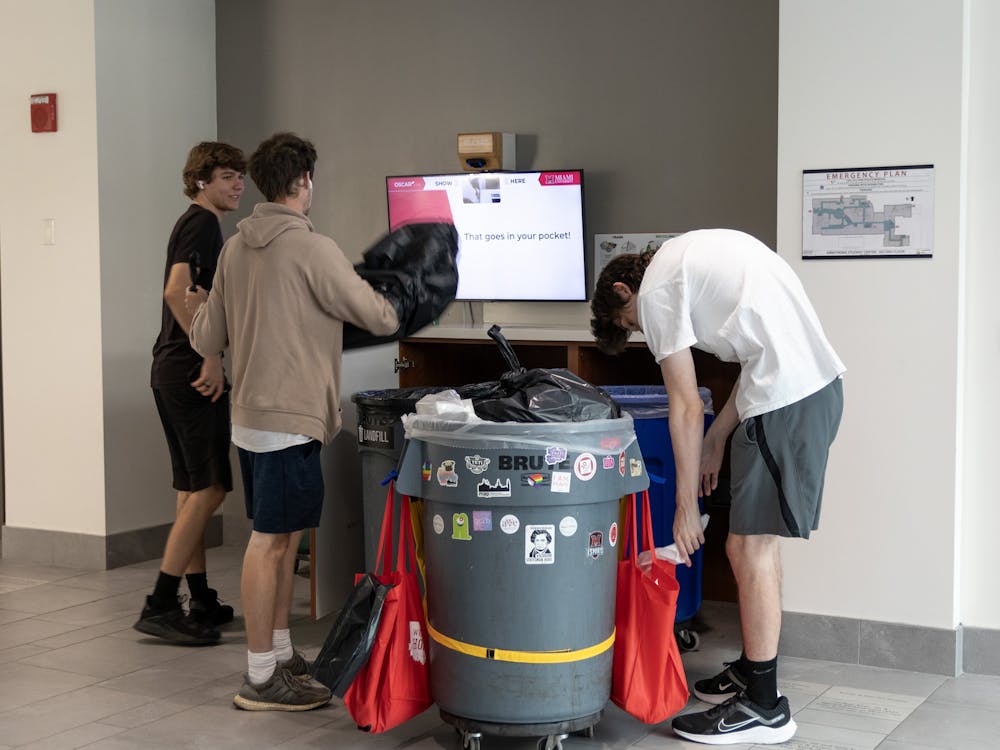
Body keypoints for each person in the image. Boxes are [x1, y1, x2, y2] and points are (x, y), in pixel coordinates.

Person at [591, 228, 844, 745]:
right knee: (753, 544)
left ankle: (764, 706)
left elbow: (685, 405)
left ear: (622, 290)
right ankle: (754, 671)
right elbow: (756, 358)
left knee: (749, 547)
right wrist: (717, 436)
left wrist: (684, 506)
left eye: (630, 323)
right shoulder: (690, 257)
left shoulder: (658, 289)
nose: (643, 331)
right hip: (799, 393)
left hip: (786, 402)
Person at [188, 132, 400, 711]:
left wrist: (200, 304)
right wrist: (399, 288)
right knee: (269, 544)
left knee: (282, 542)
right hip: (290, 419)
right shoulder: (313, 248)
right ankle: (260, 676)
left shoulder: (235, 248)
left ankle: (280, 654)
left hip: (252, 418)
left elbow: (206, 337)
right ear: (304, 181)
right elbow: (379, 317)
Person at [135, 141, 246, 646]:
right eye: (227, 176)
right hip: (189, 372)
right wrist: (210, 353)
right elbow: (176, 289)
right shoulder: (202, 223)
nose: (238, 185)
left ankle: (199, 598)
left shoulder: (196, 222)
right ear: (202, 181)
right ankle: (160, 604)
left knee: (192, 488)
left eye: (240, 176)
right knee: (210, 489)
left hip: (170, 371)